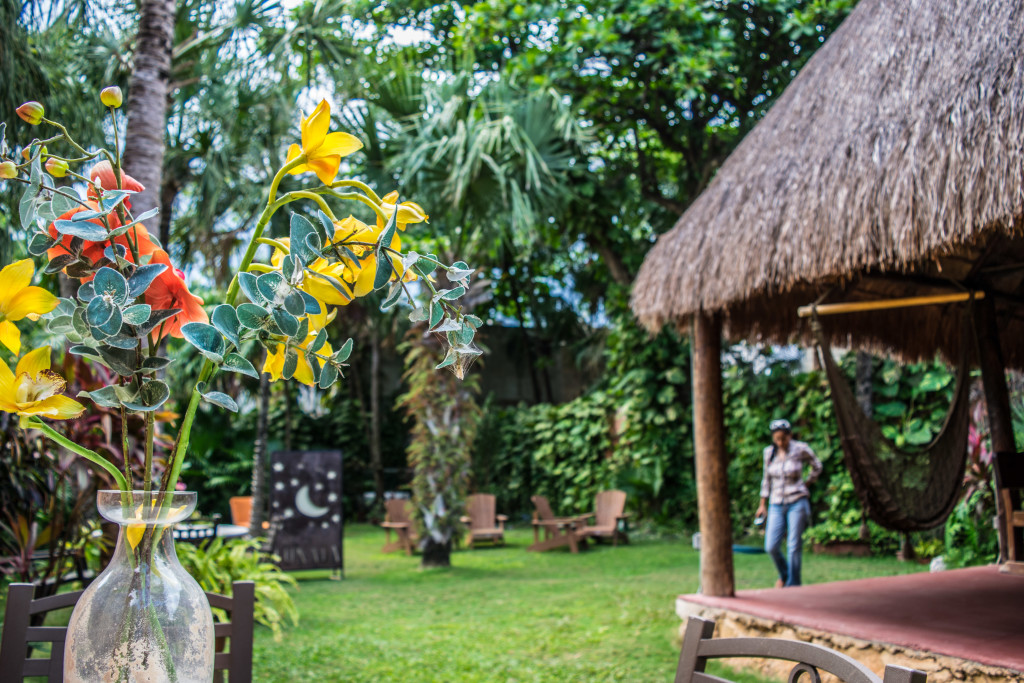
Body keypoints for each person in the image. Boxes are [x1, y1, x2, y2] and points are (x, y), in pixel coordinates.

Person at [755, 418, 822, 587]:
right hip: (776, 502)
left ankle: (794, 584)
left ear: (790, 435)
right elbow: (766, 480)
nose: (780, 442)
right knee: (771, 545)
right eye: (777, 439)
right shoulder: (769, 453)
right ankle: (784, 574)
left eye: (783, 439)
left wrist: (807, 483)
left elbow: (817, 466)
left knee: (794, 545)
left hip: (797, 500)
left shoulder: (800, 449)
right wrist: (762, 504)